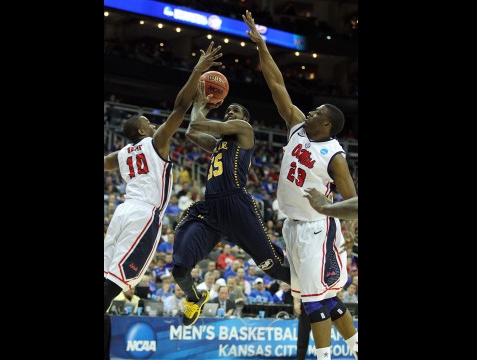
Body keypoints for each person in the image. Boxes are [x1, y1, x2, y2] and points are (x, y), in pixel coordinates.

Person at [244, 11, 358, 359]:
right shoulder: (296, 126)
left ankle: (322, 358)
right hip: (292, 225)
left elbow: (353, 200)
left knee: (311, 300)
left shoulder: (334, 155)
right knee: (325, 298)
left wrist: (335, 215)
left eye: (315, 114)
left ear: (327, 125)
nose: (307, 114)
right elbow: (277, 84)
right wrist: (261, 45)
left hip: (316, 227)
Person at [103, 42, 223, 314]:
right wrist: (197, 70)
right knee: (115, 281)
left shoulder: (120, 155)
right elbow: (180, 106)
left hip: (122, 213)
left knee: (108, 278)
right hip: (143, 216)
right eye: (149, 121)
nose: (154, 125)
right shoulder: (155, 141)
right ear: (143, 129)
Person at [171, 80, 291, 326]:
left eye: (234, 111)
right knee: (180, 269)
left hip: (236, 205)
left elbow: (197, 123)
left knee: (274, 268)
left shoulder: (244, 130)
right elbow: (191, 132)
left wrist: (200, 105)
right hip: (211, 210)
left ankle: (315, 286)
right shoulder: (218, 145)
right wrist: (201, 106)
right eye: (228, 110)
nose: (230, 112)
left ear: (243, 118)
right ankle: (195, 297)